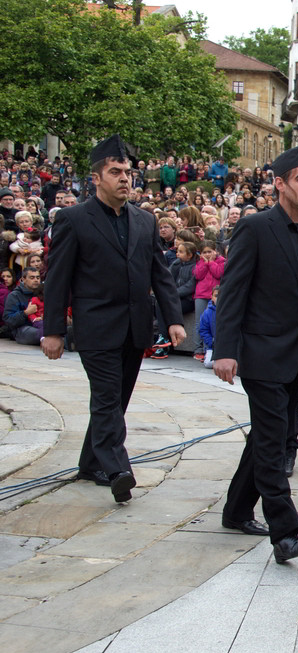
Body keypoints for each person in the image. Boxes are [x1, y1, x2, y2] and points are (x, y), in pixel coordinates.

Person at [214, 144, 298, 563]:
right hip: (261, 355)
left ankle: (237, 511)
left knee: (265, 437)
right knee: (275, 443)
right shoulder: (255, 229)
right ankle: (285, 533)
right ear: (279, 184)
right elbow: (232, 292)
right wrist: (225, 350)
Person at [42, 135, 186, 504]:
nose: (125, 179)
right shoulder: (73, 219)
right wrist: (54, 330)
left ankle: (91, 462)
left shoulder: (144, 220)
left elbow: (160, 273)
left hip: (135, 327)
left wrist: (172, 318)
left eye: (128, 172)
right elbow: (57, 278)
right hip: (96, 326)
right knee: (106, 398)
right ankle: (118, 467)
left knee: (117, 400)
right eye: (116, 172)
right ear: (96, 178)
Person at [4, 266, 43, 345]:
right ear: (23, 279)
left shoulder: (44, 293)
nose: (36, 280)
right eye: (32, 277)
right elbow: (8, 320)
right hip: (22, 329)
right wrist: (26, 313)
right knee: (41, 332)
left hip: (43, 323)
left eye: (38, 277)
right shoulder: (14, 295)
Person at [199, 285, 218, 368]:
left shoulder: (230, 311)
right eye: (216, 296)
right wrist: (211, 343)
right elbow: (203, 330)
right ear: (212, 297)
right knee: (208, 363)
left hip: (227, 345)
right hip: (212, 345)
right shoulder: (207, 313)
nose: (218, 298)